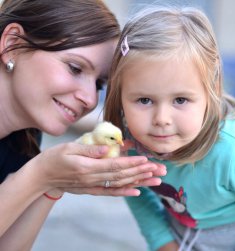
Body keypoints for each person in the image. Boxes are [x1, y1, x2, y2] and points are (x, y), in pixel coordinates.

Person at [104, 5, 235, 251]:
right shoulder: (131, 143)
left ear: (210, 91)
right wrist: (162, 241)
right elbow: (136, 191)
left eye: (180, 100)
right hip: (179, 235)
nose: (161, 119)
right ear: (120, 95)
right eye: (144, 100)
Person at [0, 1, 167, 250]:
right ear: (12, 44)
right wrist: (38, 175)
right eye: (75, 68)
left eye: (99, 84)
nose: (90, 99)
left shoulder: (24, 140)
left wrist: (54, 183)